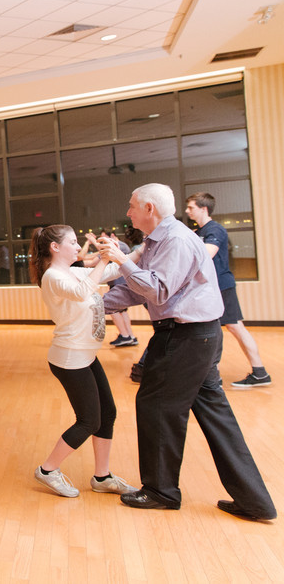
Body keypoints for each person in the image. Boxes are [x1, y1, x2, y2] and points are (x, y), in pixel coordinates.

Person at [98, 183, 275, 520]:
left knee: (157, 406)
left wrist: (121, 259)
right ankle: (255, 502)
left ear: (149, 208)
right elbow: (141, 290)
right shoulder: (160, 241)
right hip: (197, 336)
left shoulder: (176, 240)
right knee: (215, 415)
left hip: (186, 337)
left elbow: (158, 290)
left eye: (132, 205)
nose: (128, 212)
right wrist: (94, 305)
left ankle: (160, 491)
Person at [29, 227, 137, 498]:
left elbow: (112, 272)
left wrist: (137, 251)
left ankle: (102, 476)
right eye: (73, 242)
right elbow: (81, 291)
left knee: (107, 413)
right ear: (55, 247)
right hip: (69, 357)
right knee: (89, 420)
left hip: (86, 354)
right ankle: (48, 469)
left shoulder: (71, 270)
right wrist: (103, 259)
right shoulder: (52, 276)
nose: (78, 247)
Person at [185, 192, 271, 388]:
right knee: (218, 327)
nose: (187, 211)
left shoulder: (215, 229)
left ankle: (259, 372)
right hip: (210, 286)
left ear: (203, 208)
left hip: (222, 285)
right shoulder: (200, 231)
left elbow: (207, 254)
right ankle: (211, 373)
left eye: (191, 207)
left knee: (234, 326)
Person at [104, 231, 138, 348]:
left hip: (118, 282)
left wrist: (91, 241)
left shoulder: (120, 245)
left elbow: (97, 260)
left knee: (114, 310)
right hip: (120, 281)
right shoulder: (123, 245)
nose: (103, 240)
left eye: (105, 237)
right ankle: (130, 336)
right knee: (122, 311)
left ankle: (125, 335)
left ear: (112, 236)